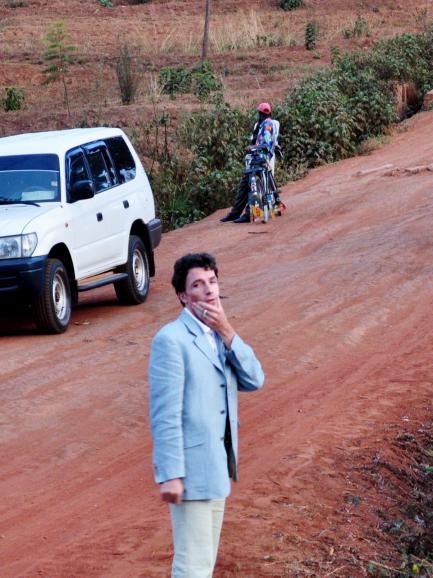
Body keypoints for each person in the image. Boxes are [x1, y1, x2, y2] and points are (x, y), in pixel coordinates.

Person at [148, 252, 265, 577]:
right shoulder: (171, 341)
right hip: (190, 471)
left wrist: (228, 331)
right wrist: (170, 473)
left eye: (212, 281)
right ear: (183, 297)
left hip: (216, 467)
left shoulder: (219, 336)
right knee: (192, 566)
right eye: (198, 285)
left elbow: (255, 379)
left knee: (204, 563)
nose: (209, 290)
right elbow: (164, 414)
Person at [221, 102, 281, 224]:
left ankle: (250, 213)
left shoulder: (267, 124)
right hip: (259, 156)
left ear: (259, 113)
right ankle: (238, 212)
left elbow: (266, 142)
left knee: (252, 183)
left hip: (262, 156)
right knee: (252, 182)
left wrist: (253, 146)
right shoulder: (262, 124)